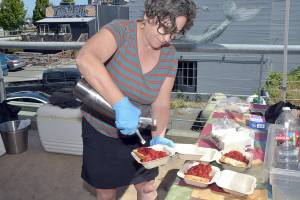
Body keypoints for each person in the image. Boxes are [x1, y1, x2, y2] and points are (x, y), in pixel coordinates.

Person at [76, 0, 196, 199]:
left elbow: (161, 103)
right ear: (149, 15)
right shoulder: (121, 31)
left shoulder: (170, 55)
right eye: (164, 28)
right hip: (101, 130)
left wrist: (158, 136)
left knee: (148, 188)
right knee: (106, 192)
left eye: (175, 33)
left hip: (141, 131)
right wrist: (121, 104)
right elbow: (85, 58)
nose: (167, 38)